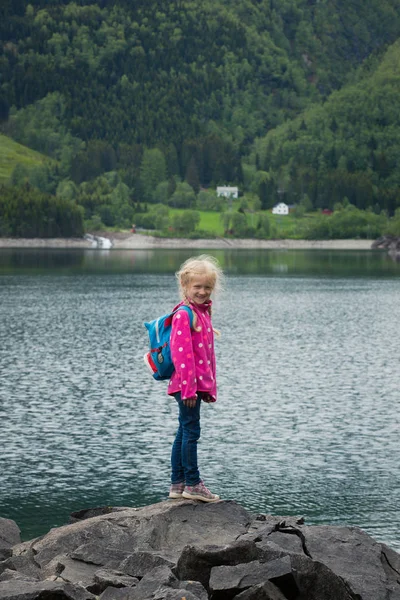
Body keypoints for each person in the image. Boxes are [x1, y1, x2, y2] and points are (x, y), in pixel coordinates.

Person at [167, 255, 223, 503]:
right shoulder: (184, 314)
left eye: (207, 287)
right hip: (186, 386)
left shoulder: (202, 313)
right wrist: (189, 389)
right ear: (185, 286)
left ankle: (177, 484)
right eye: (197, 287)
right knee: (191, 431)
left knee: (184, 431)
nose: (202, 291)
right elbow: (183, 356)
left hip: (193, 386)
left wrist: (206, 388)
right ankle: (192, 483)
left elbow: (204, 356)